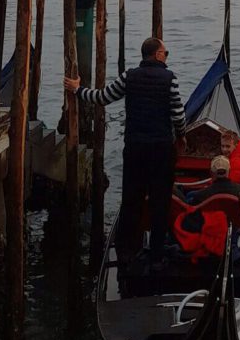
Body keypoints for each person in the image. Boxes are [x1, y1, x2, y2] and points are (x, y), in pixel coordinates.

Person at [64, 37, 186, 264]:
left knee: (132, 200)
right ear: (158, 55)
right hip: (160, 149)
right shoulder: (170, 79)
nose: (166, 56)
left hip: (135, 148)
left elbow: (102, 97)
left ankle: (127, 253)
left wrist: (77, 89)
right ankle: (157, 256)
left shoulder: (128, 77)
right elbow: (178, 116)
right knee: (161, 202)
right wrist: (181, 136)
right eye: (165, 53)